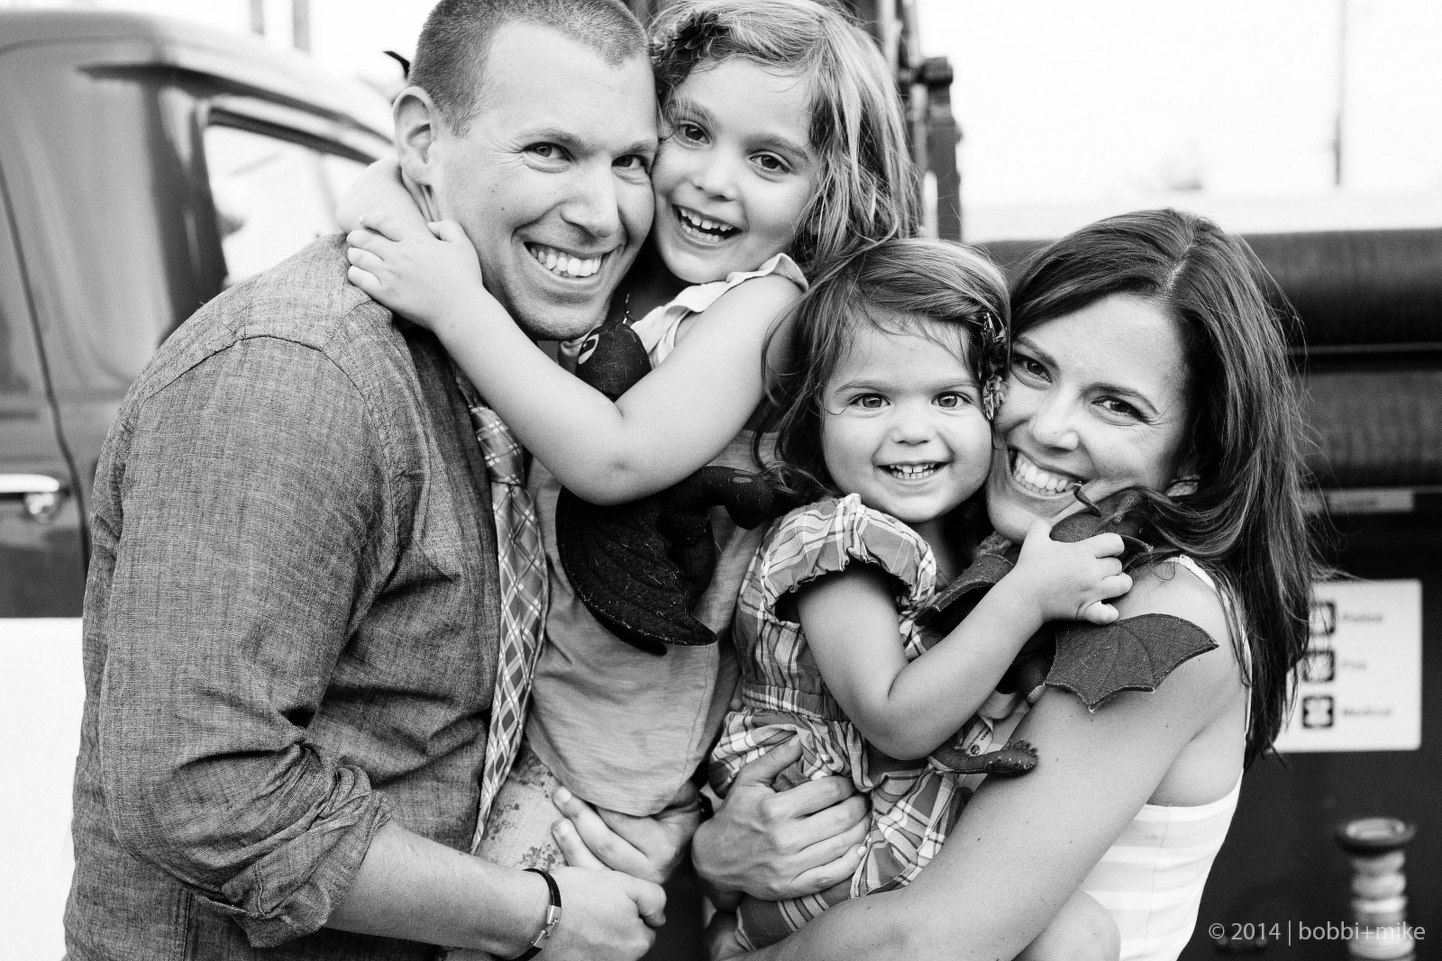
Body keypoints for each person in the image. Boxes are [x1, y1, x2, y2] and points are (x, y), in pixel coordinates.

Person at [64, 2, 672, 959]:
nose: (604, 213)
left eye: (631, 161)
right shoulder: (294, 375)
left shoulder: (504, 355)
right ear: (422, 140)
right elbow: (200, 788)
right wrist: (538, 912)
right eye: (551, 151)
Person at [611, 209, 1316, 961]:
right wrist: (717, 853)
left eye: (1117, 405)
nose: (1047, 427)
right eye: (1034, 368)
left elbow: (922, 941)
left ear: (1194, 459)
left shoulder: (1158, 610)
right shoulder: (972, 546)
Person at [342, 0, 917, 889]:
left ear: (829, 192)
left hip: (619, 748)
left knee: (510, 910)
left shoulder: (766, 307)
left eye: (769, 160)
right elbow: (387, 188)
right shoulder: (626, 260)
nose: (712, 181)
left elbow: (613, 458)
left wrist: (454, 304)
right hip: (537, 695)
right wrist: (400, 197)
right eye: (691, 132)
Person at [704, 238, 1131, 954]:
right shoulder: (837, 540)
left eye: (948, 398)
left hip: (909, 857)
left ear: (993, 406)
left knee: (1082, 934)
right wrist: (1025, 599)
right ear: (816, 416)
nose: (910, 429)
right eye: (869, 399)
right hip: (828, 860)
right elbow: (895, 720)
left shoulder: (970, 542)